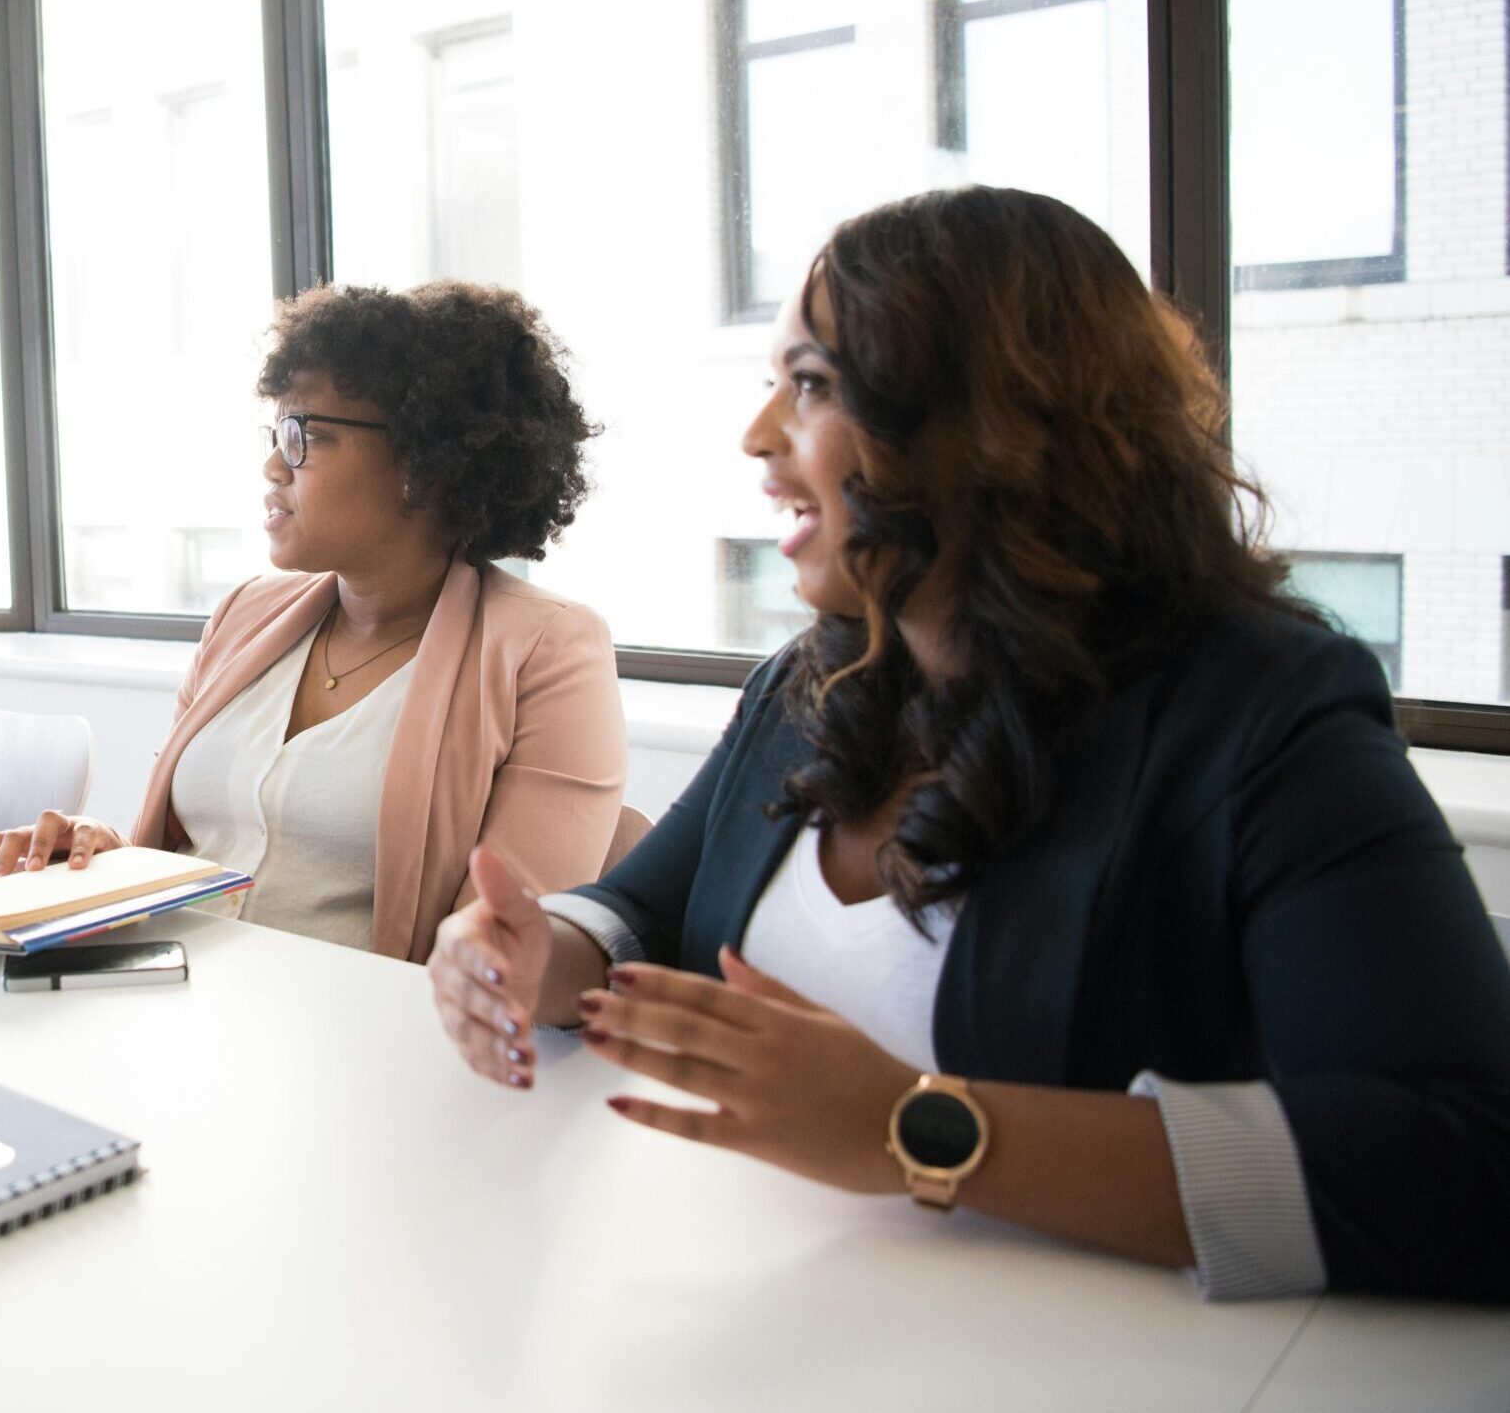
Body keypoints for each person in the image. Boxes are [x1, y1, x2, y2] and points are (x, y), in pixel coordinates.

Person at [427, 186, 1510, 1301]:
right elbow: (647, 915)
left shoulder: (1264, 713)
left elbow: (1466, 1156)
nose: (758, 436)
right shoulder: (814, 678)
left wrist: (919, 1127)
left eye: (810, 386)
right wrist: (530, 954)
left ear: (994, 422)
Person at [0, 280, 625, 963]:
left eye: (303, 435)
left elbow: (501, 957)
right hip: (161, 1004)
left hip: (359, 1046)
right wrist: (100, 857)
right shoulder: (244, 615)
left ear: (427, 467)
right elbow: (188, 853)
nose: (272, 465)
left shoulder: (547, 652)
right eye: (275, 432)